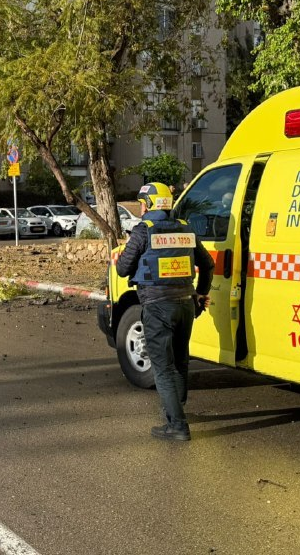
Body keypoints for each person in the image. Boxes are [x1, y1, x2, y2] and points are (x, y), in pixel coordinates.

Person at [115, 182, 214, 441]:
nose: (141, 208)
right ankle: (176, 411)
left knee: (162, 367)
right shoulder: (185, 228)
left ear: (148, 205)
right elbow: (208, 264)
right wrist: (201, 294)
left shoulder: (144, 230)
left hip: (157, 306)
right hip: (185, 304)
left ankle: (177, 426)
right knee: (180, 361)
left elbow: (123, 269)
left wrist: (129, 248)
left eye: (142, 203)